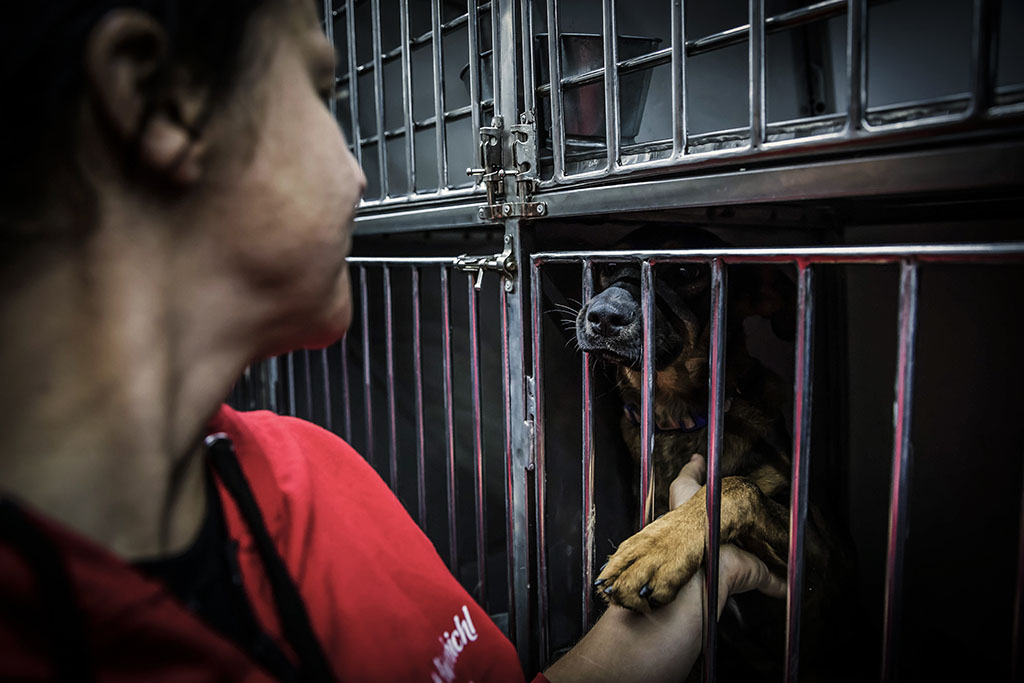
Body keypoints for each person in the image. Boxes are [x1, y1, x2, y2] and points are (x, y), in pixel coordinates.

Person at [0, 1, 784, 681]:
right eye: (320, 93)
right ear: (160, 100)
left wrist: (708, 575)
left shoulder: (319, 474)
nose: (360, 175)